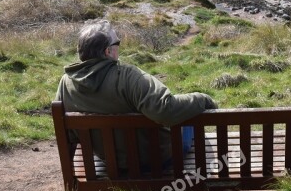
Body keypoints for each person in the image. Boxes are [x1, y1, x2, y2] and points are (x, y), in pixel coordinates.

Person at [55, 20, 215, 174]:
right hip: (155, 160)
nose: (119, 46)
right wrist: (203, 99)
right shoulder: (128, 76)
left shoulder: (65, 82)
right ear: (108, 51)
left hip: (111, 162)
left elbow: (67, 135)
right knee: (187, 120)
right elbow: (165, 110)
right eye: (117, 42)